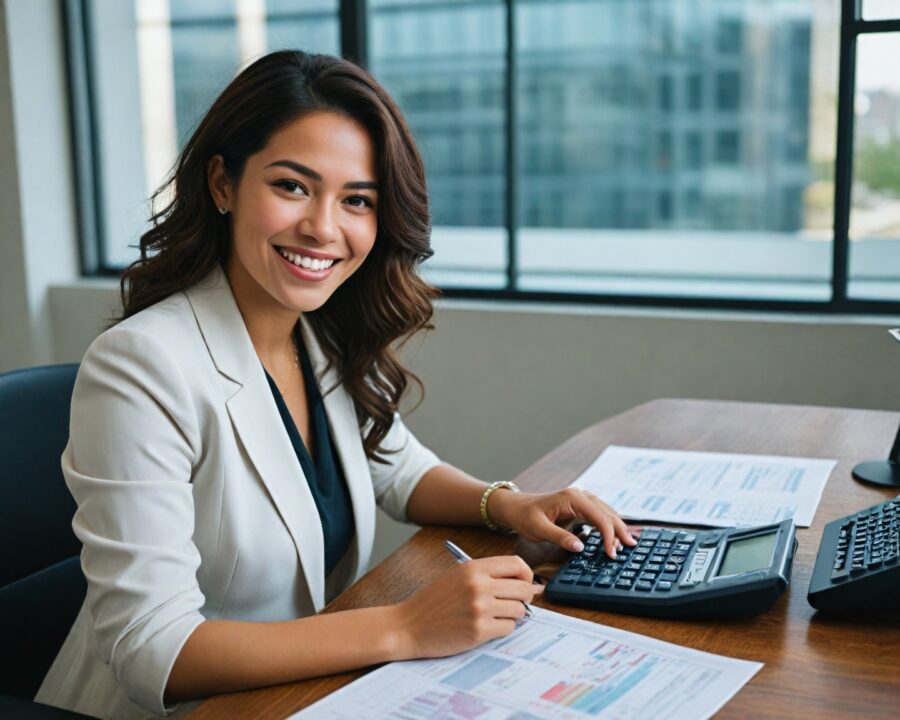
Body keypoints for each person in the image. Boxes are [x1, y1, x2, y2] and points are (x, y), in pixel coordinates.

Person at [36, 51, 635, 719]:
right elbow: (154, 651)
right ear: (223, 183)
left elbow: (400, 471)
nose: (324, 227)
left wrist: (509, 504)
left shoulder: (316, 332)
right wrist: (406, 628)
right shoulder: (139, 367)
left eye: (356, 200)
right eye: (292, 186)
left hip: (295, 696)